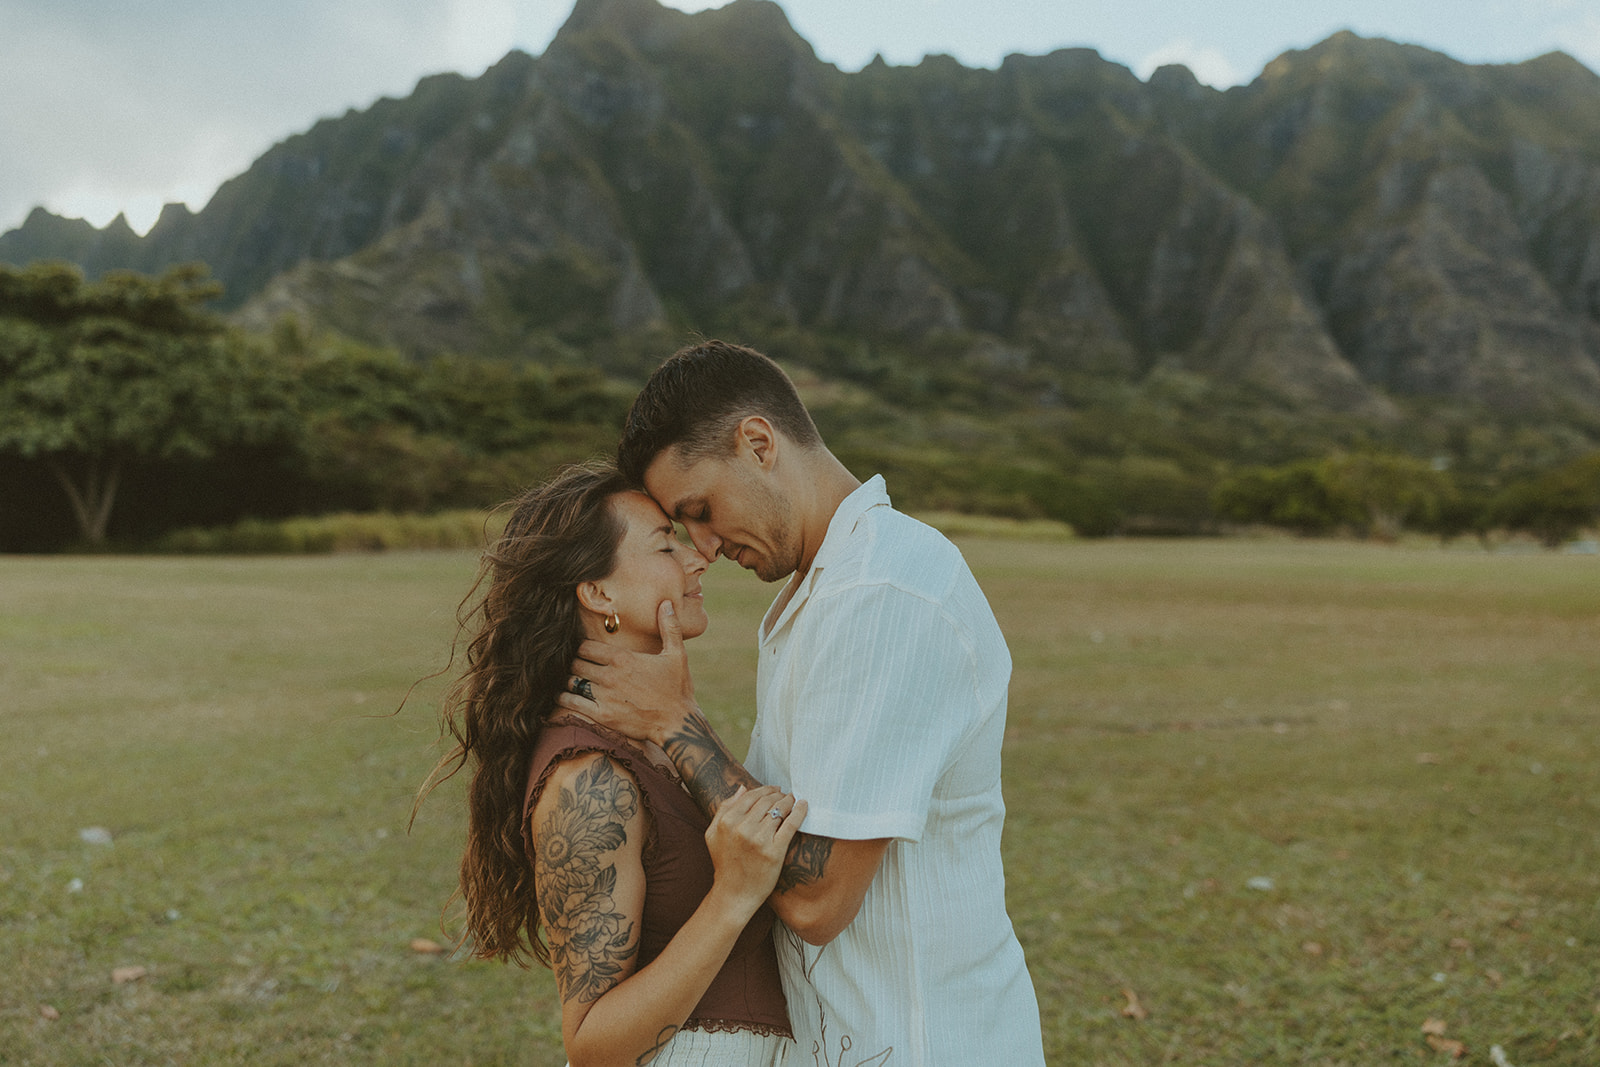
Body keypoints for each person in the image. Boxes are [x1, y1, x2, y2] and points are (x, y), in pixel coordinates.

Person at [562, 341, 1046, 1064]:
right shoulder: (818, 595)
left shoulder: (882, 591)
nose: (705, 547)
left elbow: (818, 897)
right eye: (679, 528)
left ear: (758, 443)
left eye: (700, 510)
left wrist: (672, 722)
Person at [421, 462, 807, 1066]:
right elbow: (593, 1044)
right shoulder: (590, 778)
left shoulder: (658, 736)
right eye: (664, 544)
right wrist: (731, 897)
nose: (698, 560)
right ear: (598, 593)